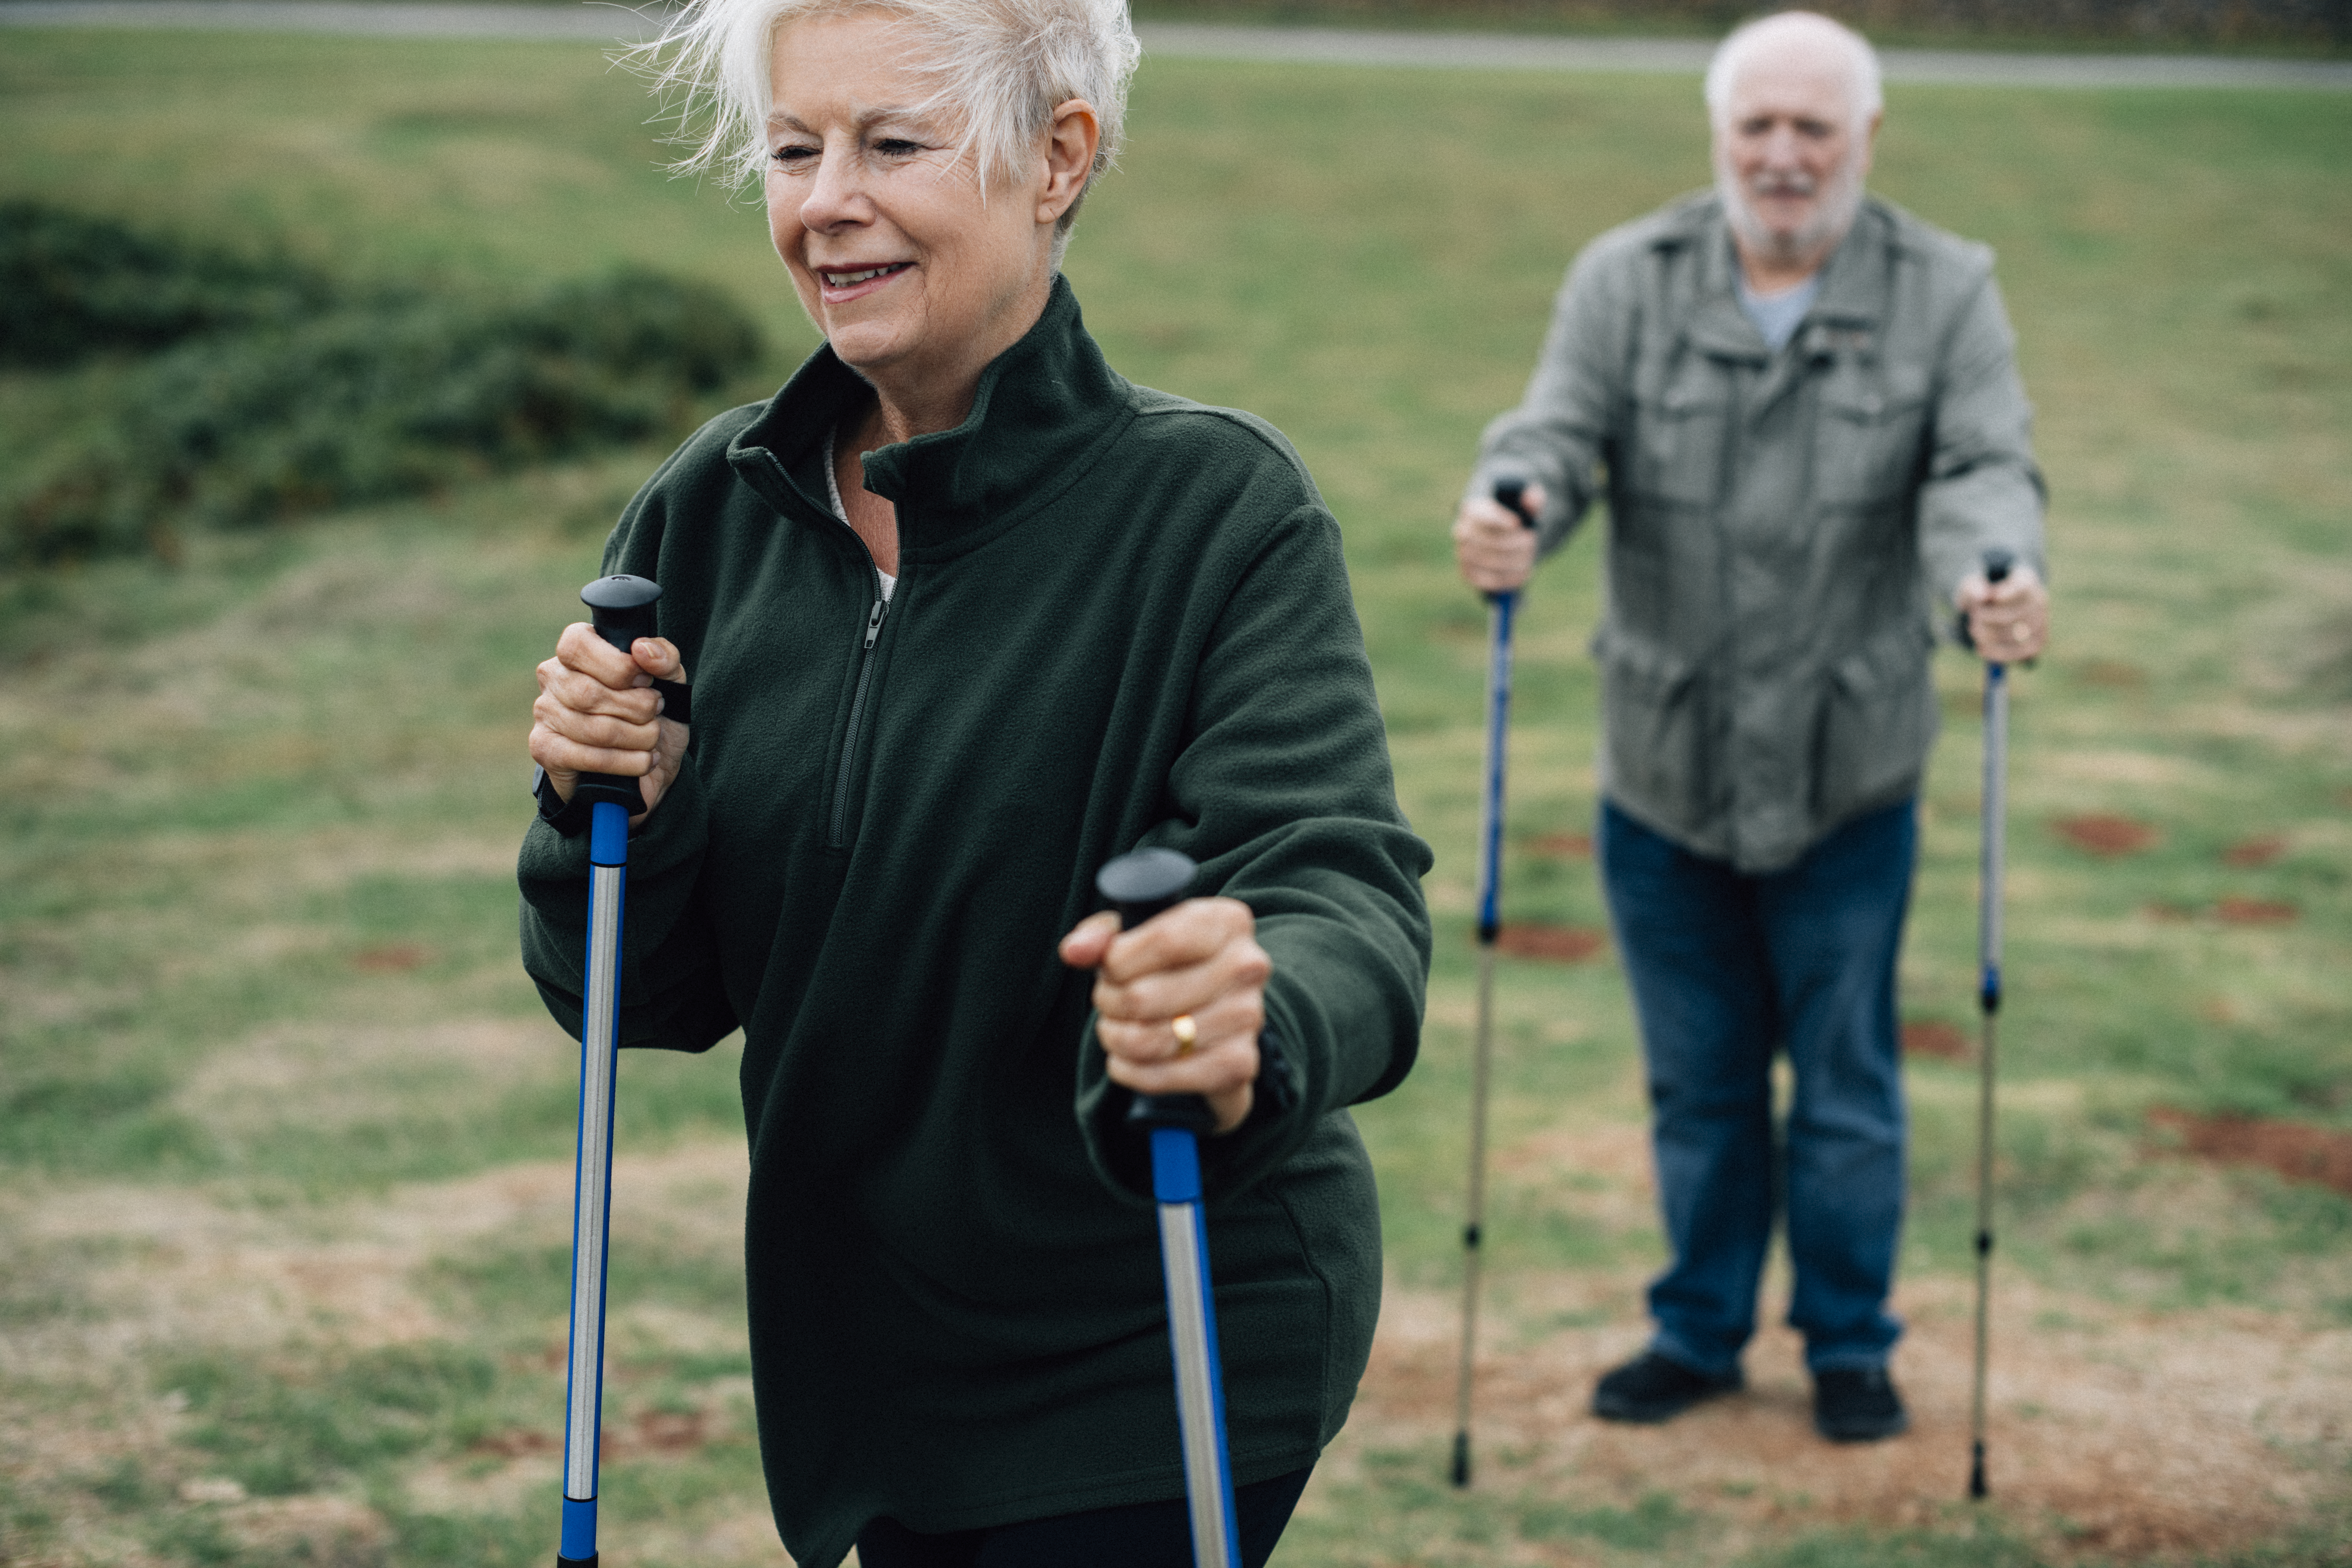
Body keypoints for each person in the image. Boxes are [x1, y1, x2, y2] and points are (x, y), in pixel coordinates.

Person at [518, 0, 1433, 1561]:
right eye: (794, 148)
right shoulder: (711, 513)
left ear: (1056, 158)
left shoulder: (1216, 512)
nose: (824, 202)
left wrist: (1245, 1009)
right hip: (861, 1360)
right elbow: (639, 992)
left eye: (893, 143)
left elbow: (1339, 886)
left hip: (1160, 1339)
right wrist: (614, 808)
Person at [1452, 9, 2049, 1444]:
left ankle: (1848, 1344)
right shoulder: (1625, 278)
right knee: (1698, 1083)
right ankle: (1697, 1330)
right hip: (1663, 774)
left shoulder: (1946, 290)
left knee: (1844, 1088)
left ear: (1865, 139)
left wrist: (1993, 572)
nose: (1783, 158)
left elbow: (1982, 466)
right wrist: (1511, 499)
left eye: (1813, 131)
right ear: (1720, 136)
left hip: (1854, 773)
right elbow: (1552, 431)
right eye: (1756, 130)